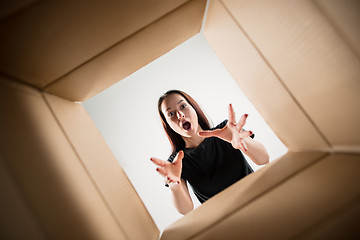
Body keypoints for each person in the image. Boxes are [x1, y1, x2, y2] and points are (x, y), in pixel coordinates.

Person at [150, 90, 269, 215]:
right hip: (226, 223)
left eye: (183, 106)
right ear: (167, 124)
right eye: (171, 114)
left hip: (260, 204)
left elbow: (264, 159)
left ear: (194, 108)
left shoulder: (226, 130)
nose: (180, 115)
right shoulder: (176, 162)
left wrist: (242, 142)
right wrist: (175, 185)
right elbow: (186, 209)